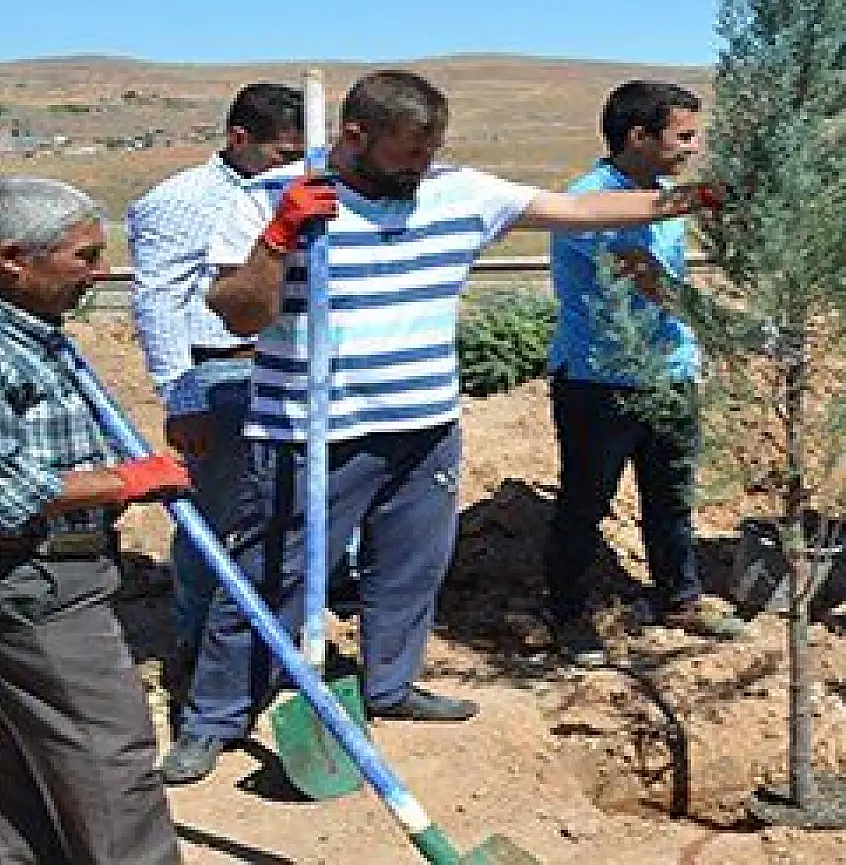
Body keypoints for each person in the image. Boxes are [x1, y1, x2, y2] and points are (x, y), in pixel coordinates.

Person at [159, 69, 724, 785]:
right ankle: (213, 719)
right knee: (273, 572)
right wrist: (279, 240)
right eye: (405, 156)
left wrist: (698, 198)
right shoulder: (268, 199)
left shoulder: (459, 191)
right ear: (354, 136)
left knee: (407, 572)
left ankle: (389, 686)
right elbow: (239, 315)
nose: (418, 170)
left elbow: (581, 210)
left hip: (424, 425)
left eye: (429, 154)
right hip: (311, 431)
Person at [0, 176, 189, 864]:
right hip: (36, 581)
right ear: (15, 258)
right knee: (108, 756)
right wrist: (125, 481)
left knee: (24, 756)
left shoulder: (32, 333)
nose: (99, 271)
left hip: (36, 578)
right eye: (84, 257)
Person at [544, 81, 747, 663]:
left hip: (670, 371)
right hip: (598, 379)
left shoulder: (660, 195)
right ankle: (568, 614)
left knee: (672, 493)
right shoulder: (592, 201)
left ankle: (679, 596)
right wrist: (734, 330)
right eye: (683, 135)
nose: (693, 145)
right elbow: (647, 279)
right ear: (639, 136)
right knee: (586, 502)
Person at [126, 83, 306, 683]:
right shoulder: (179, 201)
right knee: (216, 516)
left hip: (296, 369)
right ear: (239, 139)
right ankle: (196, 646)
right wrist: (182, 396)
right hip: (223, 371)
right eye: (283, 154)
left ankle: (281, 645)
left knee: (296, 507)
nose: (294, 166)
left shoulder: (311, 188)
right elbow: (159, 302)